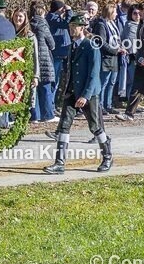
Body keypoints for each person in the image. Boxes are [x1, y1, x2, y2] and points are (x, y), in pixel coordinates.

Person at [44, 14, 112, 175]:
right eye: (70, 26)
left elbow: (94, 74)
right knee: (64, 126)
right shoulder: (72, 45)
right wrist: (65, 91)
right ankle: (59, 163)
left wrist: (85, 96)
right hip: (72, 92)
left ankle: (107, 157)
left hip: (88, 93)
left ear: (82, 27)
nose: (71, 29)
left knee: (95, 127)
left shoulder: (91, 45)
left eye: (74, 26)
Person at [90, 3, 124, 116]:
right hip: (106, 57)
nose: (117, 14)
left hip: (114, 58)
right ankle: (100, 106)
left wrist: (120, 48)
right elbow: (101, 42)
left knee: (111, 83)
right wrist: (115, 50)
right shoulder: (101, 25)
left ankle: (108, 105)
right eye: (115, 12)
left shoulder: (112, 24)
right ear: (109, 13)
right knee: (103, 82)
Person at [29, 2, 58, 123]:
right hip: (44, 59)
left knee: (34, 88)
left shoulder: (29, 24)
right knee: (46, 88)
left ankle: (35, 115)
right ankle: (48, 115)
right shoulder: (43, 24)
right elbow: (52, 44)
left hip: (32, 59)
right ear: (42, 12)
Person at [12, 9, 40, 114]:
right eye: (16, 16)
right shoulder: (10, 32)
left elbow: (35, 56)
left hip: (26, 70)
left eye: (20, 16)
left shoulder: (30, 36)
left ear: (25, 19)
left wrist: (35, 76)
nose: (18, 19)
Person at [46, 0, 72, 93]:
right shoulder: (52, 18)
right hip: (57, 54)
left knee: (59, 82)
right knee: (54, 81)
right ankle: (51, 105)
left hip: (61, 53)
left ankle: (54, 103)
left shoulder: (55, 17)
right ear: (59, 9)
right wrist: (69, 11)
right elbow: (66, 24)